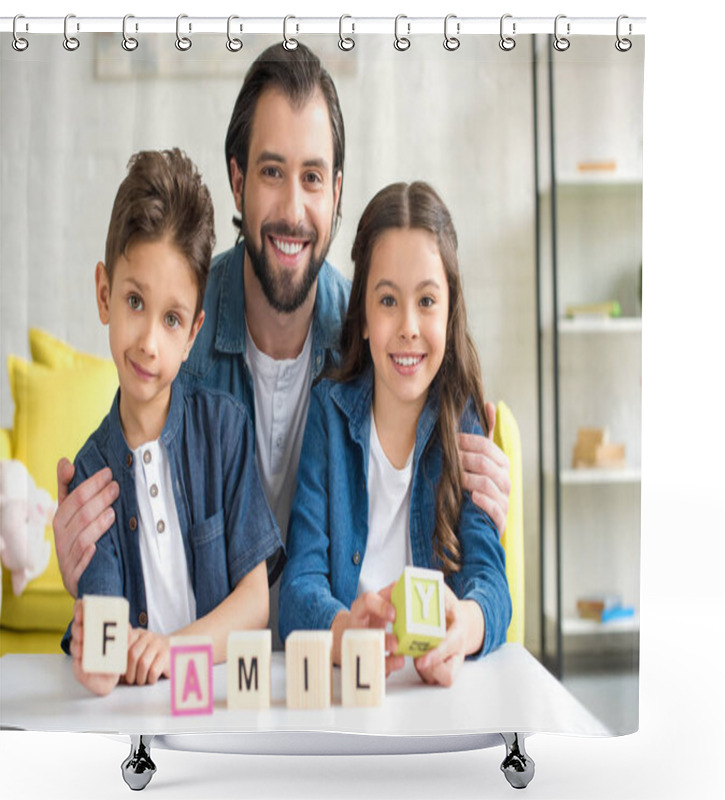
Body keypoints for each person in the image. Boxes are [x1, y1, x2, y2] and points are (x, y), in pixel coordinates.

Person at [52, 43, 511, 645]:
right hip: (209, 681)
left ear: (337, 192)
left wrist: (472, 491)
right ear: (238, 180)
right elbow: (139, 547)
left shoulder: (370, 344)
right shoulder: (178, 325)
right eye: (272, 172)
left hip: (329, 677)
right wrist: (84, 568)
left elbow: (469, 558)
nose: (294, 210)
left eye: (313, 178)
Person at [62, 149, 284, 696]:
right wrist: (95, 662)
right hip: (139, 715)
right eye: (135, 301)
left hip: (220, 702)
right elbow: (104, 637)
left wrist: (173, 648)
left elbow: (256, 604)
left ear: (193, 333)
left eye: (171, 319)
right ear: (103, 293)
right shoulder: (93, 473)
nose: (148, 342)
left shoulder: (225, 430)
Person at [279, 182, 511, 687]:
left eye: (427, 300)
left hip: (433, 692)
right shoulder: (329, 415)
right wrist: (343, 630)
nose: (408, 326)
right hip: (349, 687)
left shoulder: (464, 419)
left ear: (450, 313)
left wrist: (464, 627)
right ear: (362, 316)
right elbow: (298, 587)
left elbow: (492, 584)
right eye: (388, 300)